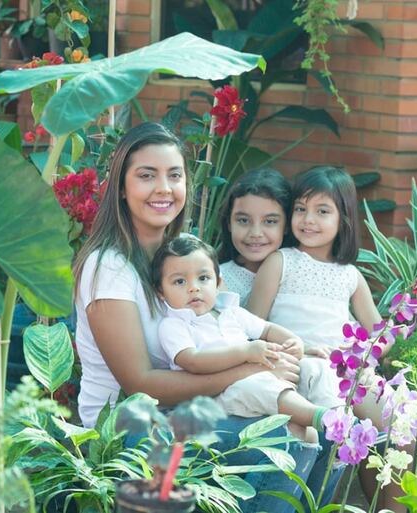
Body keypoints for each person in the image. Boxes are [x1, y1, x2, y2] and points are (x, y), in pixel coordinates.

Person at [72, 122, 339, 512]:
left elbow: (223, 329)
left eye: (174, 175)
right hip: (125, 428)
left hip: (186, 408)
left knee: (325, 423)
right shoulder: (109, 267)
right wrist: (248, 368)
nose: (164, 188)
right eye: (147, 176)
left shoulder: (180, 255)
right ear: (122, 187)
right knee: (286, 436)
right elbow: (139, 384)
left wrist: (284, 352)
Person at [247, 165, 406, 512]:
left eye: (322, 211)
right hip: (299, 367)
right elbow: (251, 325)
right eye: (301, 209)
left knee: (401, 421)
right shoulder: (280, 262)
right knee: (334, 431)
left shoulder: (350, 275)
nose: (308, 220)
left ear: (343, 219)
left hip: (345, 371)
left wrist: (361, 354)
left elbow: (382, 333)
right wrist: (294, 351)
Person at [152, 236, 343, 441]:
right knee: (257, 386)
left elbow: (267, 329)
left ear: (218, 283)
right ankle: (321, 418)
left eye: (203, 278)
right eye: (180, 281)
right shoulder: (174, 325)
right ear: (161, 291)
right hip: (218, 396)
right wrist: (246, 352)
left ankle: (340, 418)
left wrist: (295, 342)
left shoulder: (232, 313)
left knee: (315, 367)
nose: (194, 288)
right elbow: (193, 361)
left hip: (262, 377)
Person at [218, 167, 293, 306]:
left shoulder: (298, 277)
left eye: (270, 221)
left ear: (287, 225)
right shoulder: (215, 279)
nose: (255, 233)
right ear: (229, 223)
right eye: (243, 220)